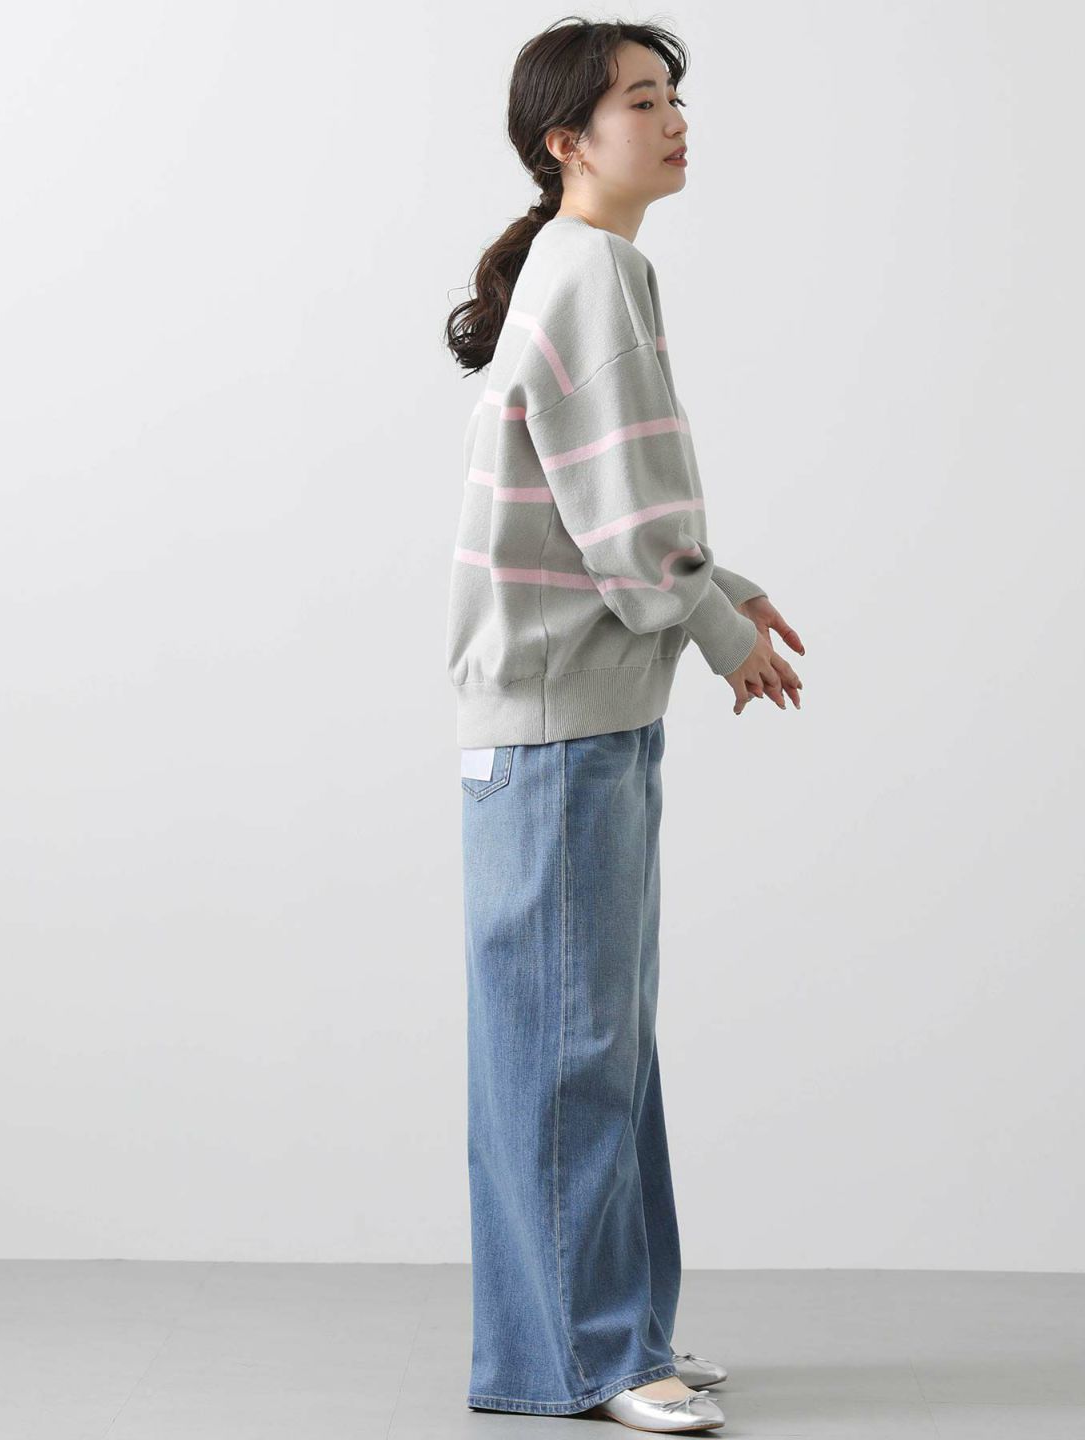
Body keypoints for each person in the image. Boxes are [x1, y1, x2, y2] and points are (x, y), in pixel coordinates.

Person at [443, 18, 804, 1434]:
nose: (672, 119)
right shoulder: (588, 269)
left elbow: (610, 492)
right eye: (641, 100)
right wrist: (715, 627)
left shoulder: (591, 265)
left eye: (673, 97)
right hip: (557, 723)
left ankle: (621, 1330)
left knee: (596, 1044)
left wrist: (729, 592)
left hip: (576, 710)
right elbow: (627, 517)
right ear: (567, 141)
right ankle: (587, 1359)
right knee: (570, 1052)